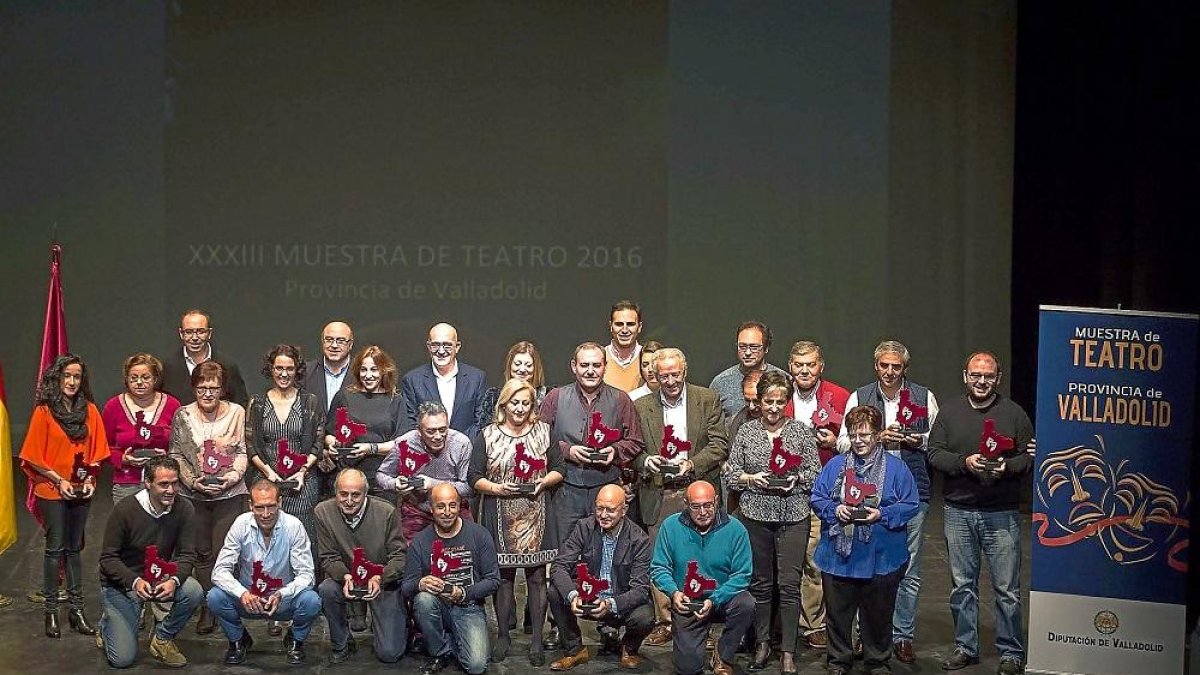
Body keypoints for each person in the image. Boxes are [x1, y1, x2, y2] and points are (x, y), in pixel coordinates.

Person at [927, 352, 1034, 675]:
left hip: (1001, 513)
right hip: (959, 511)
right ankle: (966, 647)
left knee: (1007, 590)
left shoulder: (1014, 414)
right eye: (976, 375)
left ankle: (1011, 652)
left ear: (997, 378)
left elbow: (1027, 457)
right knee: (962, 586)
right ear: (965, 376)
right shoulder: (950, 412)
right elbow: (934, 453)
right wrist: (965, 462)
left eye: (988, 376)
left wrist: (1006, 466)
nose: (982, 381)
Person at [837, 340, 939, 655]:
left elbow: (937, 446)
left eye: (896, 366)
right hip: (866, 492)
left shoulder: (924, 397)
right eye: (885, 366)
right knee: (864, 564)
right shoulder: (860, 396)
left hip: (911, 492)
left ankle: (902, 635)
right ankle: (863, 633)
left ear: (904, 368)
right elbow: (842, 443)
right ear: (876, 366)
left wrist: (914, 439)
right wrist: (875, 438)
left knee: (907, 567)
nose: (890, 372)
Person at [724, 370, 820, 674]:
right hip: (755, 515)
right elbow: (730, 474)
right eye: (768, 401)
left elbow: (815, 473)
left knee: (790, 585)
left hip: (793, 515)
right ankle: (763, 643)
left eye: (780, 401)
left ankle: (788, 650)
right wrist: (751, 478)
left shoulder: (801, 433)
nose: (774, 408)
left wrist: (796, 478)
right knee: (761, 585)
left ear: (787, 402)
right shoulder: (747, 432)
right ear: (758, 401)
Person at [633, 347, 729, 647]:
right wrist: (645, 460)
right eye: (664, 376)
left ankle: (705, 620)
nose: (671, 381)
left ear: (684, 371)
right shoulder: (641, 406)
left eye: (675, 374)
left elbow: (719, 444)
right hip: (658, 491)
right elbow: (632, 447)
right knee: (660, 559)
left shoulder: (706, 399)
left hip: (695, 486)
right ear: (654, 376)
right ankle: (665, 621)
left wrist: (693, 463)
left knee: (704, 558)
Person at [812, 406, 918, 675]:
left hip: (882, 557)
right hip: (839, 557)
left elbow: (910, 504)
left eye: (866, 434)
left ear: (878, 435)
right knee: (838, 615)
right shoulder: (835, 466)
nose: (859, 441)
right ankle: (838, 660)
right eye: (854, 435)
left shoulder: (897, 468)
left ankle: (877, 661)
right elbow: (818, 497)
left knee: (878, 616)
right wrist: (835, 509)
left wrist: (882, 514)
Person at [469, 378, 565, 665]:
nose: (520, 408)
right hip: (499, 511)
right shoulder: (487, 435)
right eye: (515, 402)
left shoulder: (544, 432)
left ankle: (536, 640)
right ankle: (503, 636)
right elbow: (474, 477)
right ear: (504, 404)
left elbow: (559, 469)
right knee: (504, 578)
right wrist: (496, 488)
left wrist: (543, 482)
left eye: (526, 403)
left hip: (536, 509)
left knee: (536, 578)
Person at [19, 353, 107, 638]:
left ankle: (77, 610)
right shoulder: (44, 412)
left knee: (75, 549)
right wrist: (58, 480)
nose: (71, 381)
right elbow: (32, 455)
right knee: (55, 549)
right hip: (52, 489)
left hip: (82, 489)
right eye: (66, 376)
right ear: (57, 379)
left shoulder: (90, 411)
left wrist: (92, 479)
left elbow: (97, 452)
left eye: (76, 376)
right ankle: (51, 613)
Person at [245, 343, 325, 638]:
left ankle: (299, 607)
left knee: (301, 545)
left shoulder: (310, 401)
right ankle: (273, 607)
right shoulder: (257, 402)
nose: (284, 373)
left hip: (302, 482)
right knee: (270, 548)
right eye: (279, 368)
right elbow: (251, 443)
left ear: (297, 370)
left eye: (289, 368)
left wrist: (302, 471)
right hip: (266, 482)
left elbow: (317, 441)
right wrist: (270, 475)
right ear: (270, 369)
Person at [539, 342, 645, 557]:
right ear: (573, 366)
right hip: (565, 490)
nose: (590, 371)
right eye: (584, 365)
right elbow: (539, 440)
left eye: (596, 365)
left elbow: (635, 440)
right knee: (565, 556)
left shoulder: (621, 399)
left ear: (605, 366)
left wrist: (615, 451)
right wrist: (568, 451)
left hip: (606, 487)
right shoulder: (556, 397)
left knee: (605, 555)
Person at [97, 456, 202, 668]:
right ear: (148, 483)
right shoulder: (125, 510)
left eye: (175, 483)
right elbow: (108, 558)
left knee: (193, 591)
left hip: (159, 576)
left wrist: (173, 580)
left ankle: (162, 638)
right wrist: (135, 582)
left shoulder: (184, 508)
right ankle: (107, 624)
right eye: (164, 484)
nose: (171, 490)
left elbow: (187, 555)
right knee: (122, 660)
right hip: (124, 583)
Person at [168, 360, 248, 635]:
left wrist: (232, 478)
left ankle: (225, 603)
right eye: (202, 388)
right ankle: (207, 606)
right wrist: (192, 482)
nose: (208, 394)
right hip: (193, 495)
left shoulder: (237, 412)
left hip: (230, 493)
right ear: (194, 389)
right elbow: (176, 454)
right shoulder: (183, 415)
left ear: (223, 389)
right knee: (201, 553)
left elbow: (242, 452)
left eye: (214, 388)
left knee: (224, 552)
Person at [783, 340, 851, 650]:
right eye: (799, 365)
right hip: (787, 490)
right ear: (790, 367)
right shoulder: (780, 397)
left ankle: (813, 625)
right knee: (789, 560)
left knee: (816, 559)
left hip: (827, 489)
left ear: (820, 366)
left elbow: (853, 445)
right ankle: (783, 625)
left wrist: (835, 440)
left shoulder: (839, 396)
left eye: (811, 364)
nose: (805, 370)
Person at [208, 480, 321, 665]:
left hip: (282, 600)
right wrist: (242, 593)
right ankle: (238, 640)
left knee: (311, 601)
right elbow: (220, 571)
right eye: (260, 508)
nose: (266, 514)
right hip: (249, 599)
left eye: (271, 506)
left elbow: (307, 575)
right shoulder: (240, 524)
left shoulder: (294, 526)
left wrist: (282, 594)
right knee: (215, 596)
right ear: (250, 505)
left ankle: (295, 639)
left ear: (280, 503)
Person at [650, 481, 753, 675]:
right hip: (687, 600)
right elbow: (659, 567)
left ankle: (723, 654)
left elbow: (742, 575)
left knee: (746, 603)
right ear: (686, 504)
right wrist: (674, 593)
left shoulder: (736, 529)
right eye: (696, 506)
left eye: (708, 505)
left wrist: (714, 599)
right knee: (688, 669)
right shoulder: (670, 526)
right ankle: (697, 640)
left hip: (722, 598)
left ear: (716, 501)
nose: (703, 512)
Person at [548, 484, 654, 671]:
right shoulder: (584, 527)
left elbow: (640, 590)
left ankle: (628, 648)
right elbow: (559, 566)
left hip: (618, 599)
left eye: (610, 510)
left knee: (645, 616)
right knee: (555, 592)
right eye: (600, 508)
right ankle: (575, 649)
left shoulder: (640, 540)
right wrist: (573, 596)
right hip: (588, 595)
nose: (604, 515)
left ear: (624, 510)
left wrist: (610, 604)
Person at [403, 483, 501, 675]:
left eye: (452, 505)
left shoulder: (479, 534)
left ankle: (452, 640)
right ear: (431, 509)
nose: (447, 512)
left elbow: (494, 580)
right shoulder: (421, 541)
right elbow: (406, 587)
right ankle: (439, 652)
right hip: (436, 604)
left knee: (476, 666)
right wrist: (420, 583)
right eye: (440, 506)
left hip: (468, 605)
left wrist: (464, 593)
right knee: (422, 600)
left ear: (459, 506)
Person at [315, 468, 408, 664]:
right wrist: (344, 576)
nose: (349, 500)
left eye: (355, 495)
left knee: (390, 653)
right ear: (335, 492)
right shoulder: (323, 512)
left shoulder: (386, 512)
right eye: (343, 494)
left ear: (366, 494)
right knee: (326, 589)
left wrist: (380, 577)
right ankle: (342, 643)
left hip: (382, 581)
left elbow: (399, 557)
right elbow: (328, 556)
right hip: (348, 579)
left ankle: (395, 622)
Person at [378, 401, 474, 542]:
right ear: (419, 430)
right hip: (417, 510)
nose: (438, 436)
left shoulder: (461, 444)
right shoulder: (405, 443)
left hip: (454, 509)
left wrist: (432, 484)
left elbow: (469, 488)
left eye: (442, 430)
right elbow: (381, 475)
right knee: (413, 555)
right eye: (430, 431)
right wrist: (395, 483)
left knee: (468, 552)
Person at [323, 345, 408, 497]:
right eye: (364, 370)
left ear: (383, 370)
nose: (368, 375)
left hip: (382, 479)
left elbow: (401, 443)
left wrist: (371, 448)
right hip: (347, 478)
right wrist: (333, 445)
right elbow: (329, 433)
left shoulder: (395, 400)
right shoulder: (344, 396)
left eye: (374, 370)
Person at [102, 353, 181, 503]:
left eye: (145, 377)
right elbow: (102, 447)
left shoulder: (173, 405)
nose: (139, 382)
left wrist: (167, 457)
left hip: (165, 485)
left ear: (155, 379)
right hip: (126, 483)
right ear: (127, 379)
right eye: (133, 378)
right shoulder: (113, 407)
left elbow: (182, 446)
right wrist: (122, 458)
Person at [402, 322, 488, 440]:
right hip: (427, 454)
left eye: (447, 345)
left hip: (467, 452)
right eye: (435, 345)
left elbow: (480, 421)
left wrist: (460, 446)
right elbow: (411, 424)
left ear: (457, 347)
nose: (441, 351)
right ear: (428, 346)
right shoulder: (412, 380)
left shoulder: (476, 378)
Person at [160, 309, 248, 407]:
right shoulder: (168, 367)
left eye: (200, 331)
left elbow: (241, 403)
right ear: (181, 334)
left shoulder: (227, 366)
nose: (194, 338)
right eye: (189, 332)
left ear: (209, 333)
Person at [709, 321, 786, 419]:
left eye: (754, 347)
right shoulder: (720, 383)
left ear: (766, 348)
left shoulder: (782, 380)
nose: (748, 352)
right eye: (742, 346)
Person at [474, 340, 548, 434]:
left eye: (528, 365)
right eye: (517, 364)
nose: (522, 369)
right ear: (510, 365)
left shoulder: (547, 397)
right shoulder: (493, 397)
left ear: (535, 368)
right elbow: (484, 432)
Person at [303, 321, 355, 414]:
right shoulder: (305, 372)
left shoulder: (361, 374)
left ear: (350, 345)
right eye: (329, 339)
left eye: (341, 341)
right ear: (322, 342)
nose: (334, 345)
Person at [604, 300, 645, 392]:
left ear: (639, 327)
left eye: (630, 324)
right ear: (611, 326)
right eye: (619, 324)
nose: (625, 330)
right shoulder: (598, 358)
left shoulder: (649, 359)